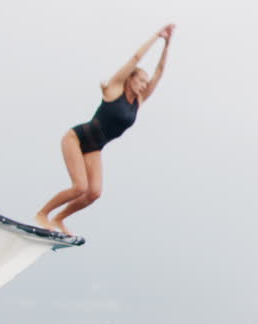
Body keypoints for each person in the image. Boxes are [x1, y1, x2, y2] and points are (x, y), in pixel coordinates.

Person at [36, 24, 175, 235]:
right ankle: (42, 215)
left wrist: (167, 44)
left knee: (94, 193)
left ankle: (58, 219)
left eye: (146, 83)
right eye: (141, 80)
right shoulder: (115, 88)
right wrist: (157, 36)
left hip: (95, 147)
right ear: (130, 78)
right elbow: (135, 58)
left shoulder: (138, 101)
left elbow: (160, 72)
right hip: (76, 138)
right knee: (79, 187)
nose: (144, 85)